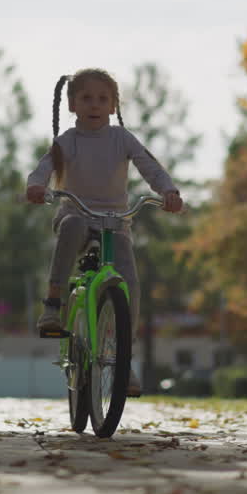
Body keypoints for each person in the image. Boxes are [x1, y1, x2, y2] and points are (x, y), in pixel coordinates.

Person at [25, 68, 183, 397]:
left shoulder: (122, 139)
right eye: (86, 98)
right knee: (72, 225)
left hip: (115, 223)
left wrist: (168, 191)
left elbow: (149, 166)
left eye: (102, 99)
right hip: (76, 212)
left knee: (130, 281)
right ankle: (53, 304)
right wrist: (36, 186)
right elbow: (44, 168)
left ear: (113, 106)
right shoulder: (67, 141)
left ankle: (124, 363)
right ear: (72, 104)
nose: (94, 105)